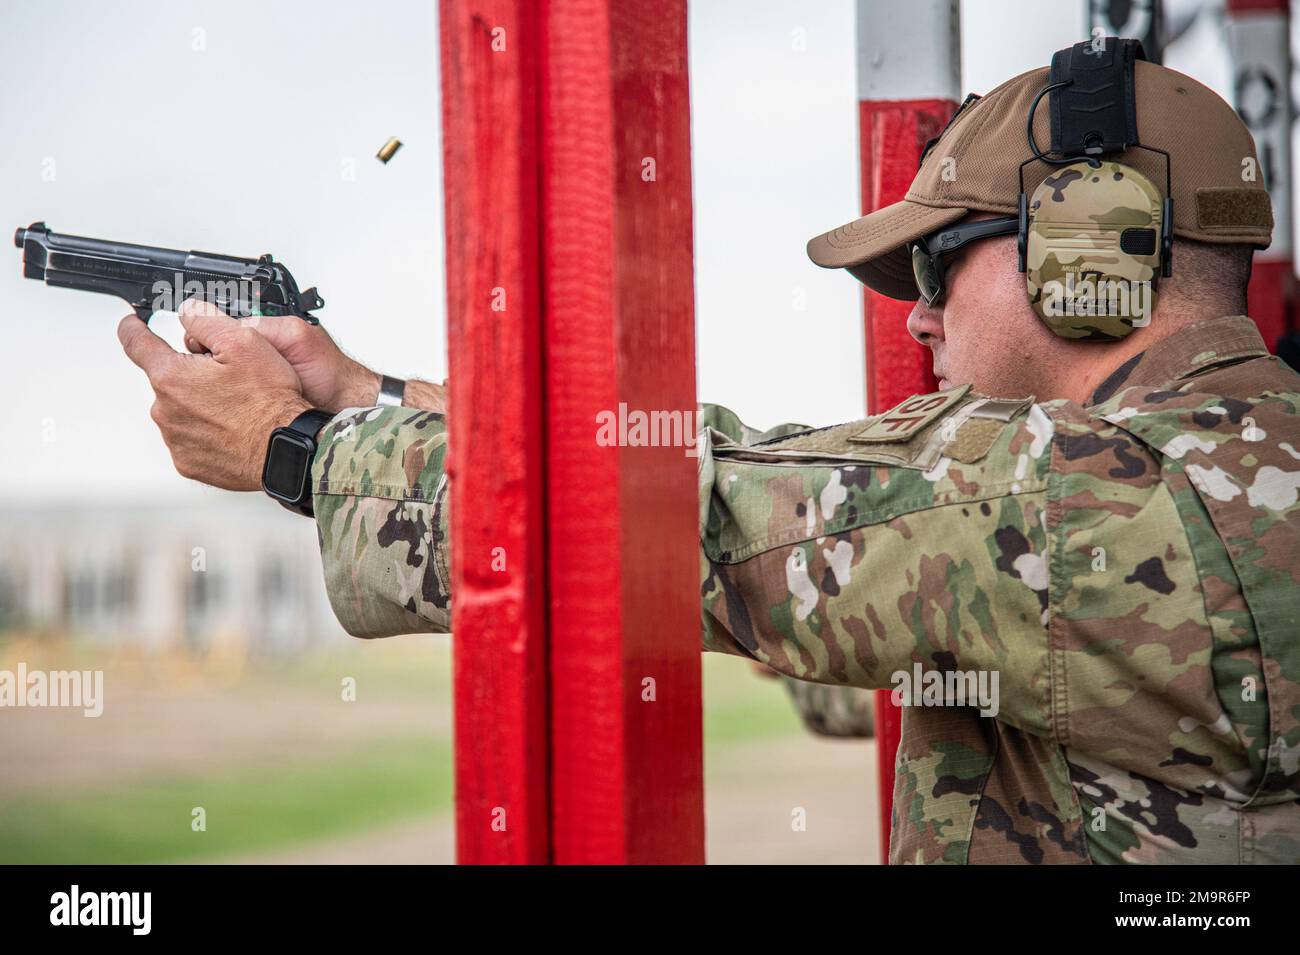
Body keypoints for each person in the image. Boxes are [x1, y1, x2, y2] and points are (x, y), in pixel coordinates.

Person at [116, 50, 1299, 864]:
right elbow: (787, 483)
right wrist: (372, 394)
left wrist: (299, 451)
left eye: (941, 267)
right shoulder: (1227, 461)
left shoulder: (1094, 499)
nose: (917, 319)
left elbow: (667, 521)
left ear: (1087, 245)